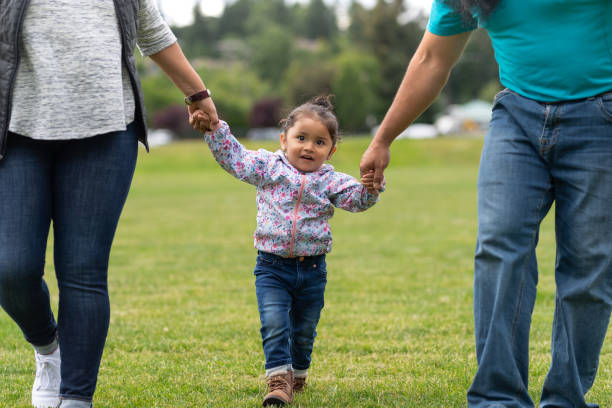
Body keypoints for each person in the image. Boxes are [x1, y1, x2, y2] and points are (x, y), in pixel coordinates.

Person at [359, 1, 611, 407]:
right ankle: (498, 398)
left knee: (590, 264)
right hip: (517, 118)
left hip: (602, 116)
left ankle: (566, 398)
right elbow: (431, 59)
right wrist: (383, 138)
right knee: (499, 248)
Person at [0, 1, 218, 407]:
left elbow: (153, 33)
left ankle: (77, 397)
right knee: (11, 268)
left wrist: (197, 93)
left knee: (83, 270)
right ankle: (49, 349)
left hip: (106, 132)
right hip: (17, 132)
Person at [192, 96, 382, 406]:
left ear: (331, 150)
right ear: (284, 140)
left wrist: (372, 186)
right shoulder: (268, 167)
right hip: (271, 267)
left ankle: (298, 373)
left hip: (312, 270)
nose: (309, 147)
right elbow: (235, 158)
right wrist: (215, 130)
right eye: (301, 138)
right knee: (275, 323)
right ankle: (279, 382)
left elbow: (358, 200)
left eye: (320, 142)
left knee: (304, 330)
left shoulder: (330, 181)